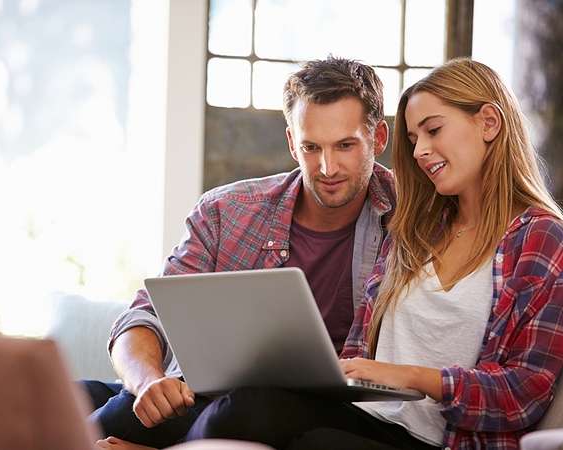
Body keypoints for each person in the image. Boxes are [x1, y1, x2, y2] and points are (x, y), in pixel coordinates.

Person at [183, 58, 563, 450]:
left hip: (442, 441)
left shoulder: (542, 238)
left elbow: (525, 392)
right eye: (414, 139)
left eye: (433, 130)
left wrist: (410, 376)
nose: (420, 152)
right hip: (368, 421)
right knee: (246, 406)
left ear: (489, 123)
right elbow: (358, 349)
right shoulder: (414, 228)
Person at [84, 56, 395, 449]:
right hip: (200, 393)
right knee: (92, 402)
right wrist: (148, 381)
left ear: (378, 138)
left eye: (345, 146)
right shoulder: (226, 211)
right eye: (311, 147)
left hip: (306, 411)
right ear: (291, 143)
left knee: (241, 409)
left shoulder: (408, 218)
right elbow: (145, 315)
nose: (327, 167)